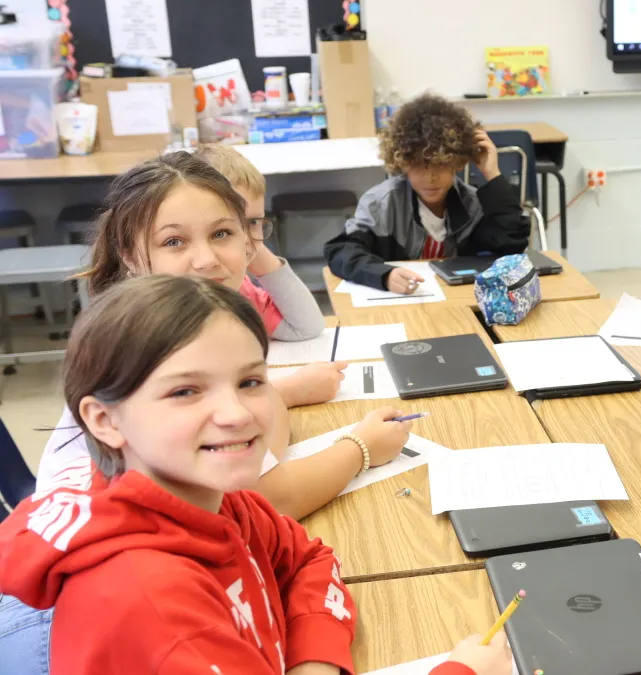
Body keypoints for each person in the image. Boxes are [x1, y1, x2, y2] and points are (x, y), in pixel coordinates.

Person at [0, 276, 513, 675]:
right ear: (106, 420)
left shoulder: (219, 500)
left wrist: (311, 662)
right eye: (185, 391)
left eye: (250, 381)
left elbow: (309, 559)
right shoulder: (148, 605)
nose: (238, 414)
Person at [37, 152, 411, 520]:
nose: (207, 260)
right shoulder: (148, 344)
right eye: (173, 242)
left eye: (221, 233)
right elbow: (266, 500)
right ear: (131, 255)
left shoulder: (196, 326)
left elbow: (245, 459)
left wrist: (282, 397)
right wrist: (362, 448)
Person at [324, 92, 528, 293]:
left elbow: (511, 247)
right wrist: (384, 275)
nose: (430, 178)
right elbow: (342, 252)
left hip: (456, 303)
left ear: (457, 162)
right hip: (399, 306)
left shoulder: (471, 203)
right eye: (419, 166)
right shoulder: (381, 203)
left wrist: (492, 173)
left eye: (440, 165)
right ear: (402, 163)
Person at [193, 144, 325, 341]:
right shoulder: (163, 305)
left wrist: (255, 248)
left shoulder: (239, 288)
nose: (242, 238)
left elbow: (306, 328)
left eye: (253, 222)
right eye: (223, 231)